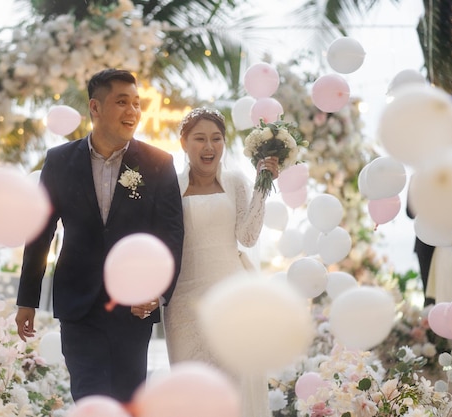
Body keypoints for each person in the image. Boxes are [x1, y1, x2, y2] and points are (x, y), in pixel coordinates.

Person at [15, 68, 184, 403]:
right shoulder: (59, 161)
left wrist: (157, 292)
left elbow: (171, 236)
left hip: (133, 306)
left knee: (127, 400)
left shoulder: (158, 163)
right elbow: (40, 232)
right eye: (122, 102)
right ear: (95, 107)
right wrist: (27, 299)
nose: (133, 111)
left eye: (137, 103)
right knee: (89, 397)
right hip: (79, 305)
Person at [162, 107, 278, 417]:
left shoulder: (236, 181)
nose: (209, 146)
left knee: (234, 387)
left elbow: (248, 236)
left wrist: (262, 186)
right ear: (184, 142)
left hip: (232, 298)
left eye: (216, 138)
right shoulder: (170, 186)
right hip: (185, 304)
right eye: (199, 138)